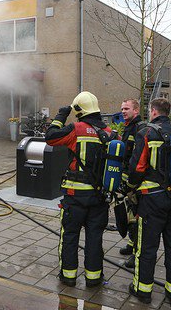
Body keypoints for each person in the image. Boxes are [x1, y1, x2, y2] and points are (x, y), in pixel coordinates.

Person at [127, 98, 171, 308]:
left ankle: (143, 290)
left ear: (153, 111)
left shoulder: (147, 133)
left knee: (147, 247)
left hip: (152, 201)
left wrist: (131, 187)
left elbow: (137, 168)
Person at [45, 91, 112, 288]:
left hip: (75, 196)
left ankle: (68, 277)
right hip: (99, 196)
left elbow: (50, 137)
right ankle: (93, 278)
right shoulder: (109, 132)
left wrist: (61, 115)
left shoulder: (76, 129)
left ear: (79, 110)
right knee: (95, 238)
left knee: (70, 236)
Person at [117, 98, 144, 269]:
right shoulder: (128, 127)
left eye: (126, 108)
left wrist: (131, 182)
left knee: (135, 216)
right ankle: (131, 243)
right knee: (129, 214)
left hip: (134, 181)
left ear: (136, 110)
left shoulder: (139, 128)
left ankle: (137, 252)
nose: (123, 111)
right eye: (122, 108)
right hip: (126, 177)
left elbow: (136, 158)